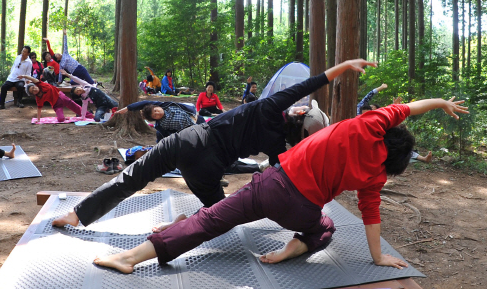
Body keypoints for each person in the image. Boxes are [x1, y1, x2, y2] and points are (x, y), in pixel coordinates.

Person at [92, 97, 468, 274]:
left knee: (211, 221)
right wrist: (378, 257)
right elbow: (371, 216)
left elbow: (408, 108)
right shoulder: (377, 176)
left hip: (271, 185)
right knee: (326, 228)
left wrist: (440, 103)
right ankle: (295, 247)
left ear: (385, 129)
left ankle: (129, 258)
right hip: (302, 210)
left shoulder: (368, 124)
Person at [51, 59, 370, 232]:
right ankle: (178, 227)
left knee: (133, 176)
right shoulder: (282, 148)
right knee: (219, 216)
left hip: (186, 141)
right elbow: (282, 181)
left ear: (299, 113)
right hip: (207, 169)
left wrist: (344, 67)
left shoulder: (270, 106)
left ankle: (77, 215)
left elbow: (310, 83)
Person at [113, 100, 204, 142]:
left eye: (156, 110)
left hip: (196, 119)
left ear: (157, 106)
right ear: (154, 119)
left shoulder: (166, 106)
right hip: (190, 133)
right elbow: (162, 139)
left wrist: (128, 108)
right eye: (154, 115)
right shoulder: (162, 125)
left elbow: (144, 103)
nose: (157, 113)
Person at [18, 75, 85, 123]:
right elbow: (39, 109)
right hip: (56, 104)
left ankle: (89, 114)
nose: (34, 90)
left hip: (60, 96)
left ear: (35, 85)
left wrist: (24, 76)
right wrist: (38, 120)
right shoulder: (38, 98)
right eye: (32, 91)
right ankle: (65, 117)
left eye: (33, 88)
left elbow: (32, 79)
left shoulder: (40, 84)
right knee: (61, 119)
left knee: (75, 107)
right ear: (33, 94)